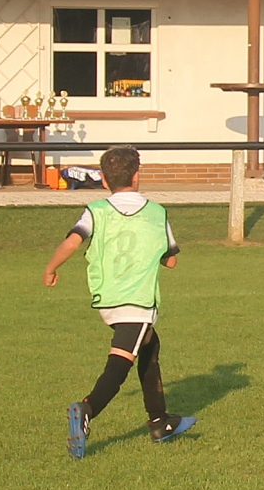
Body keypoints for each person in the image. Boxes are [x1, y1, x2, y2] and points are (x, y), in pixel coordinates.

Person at [43, 146, 193, 460]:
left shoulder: (95, 210)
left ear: (103, 180)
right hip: (137, 300)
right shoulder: (156, 212)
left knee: (149, 346)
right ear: (137, 176)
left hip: (107, 297)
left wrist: (51, 268)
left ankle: (159, 421)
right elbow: (171, 260)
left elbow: (73, 241)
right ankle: (87, 409)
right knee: (120, 363)